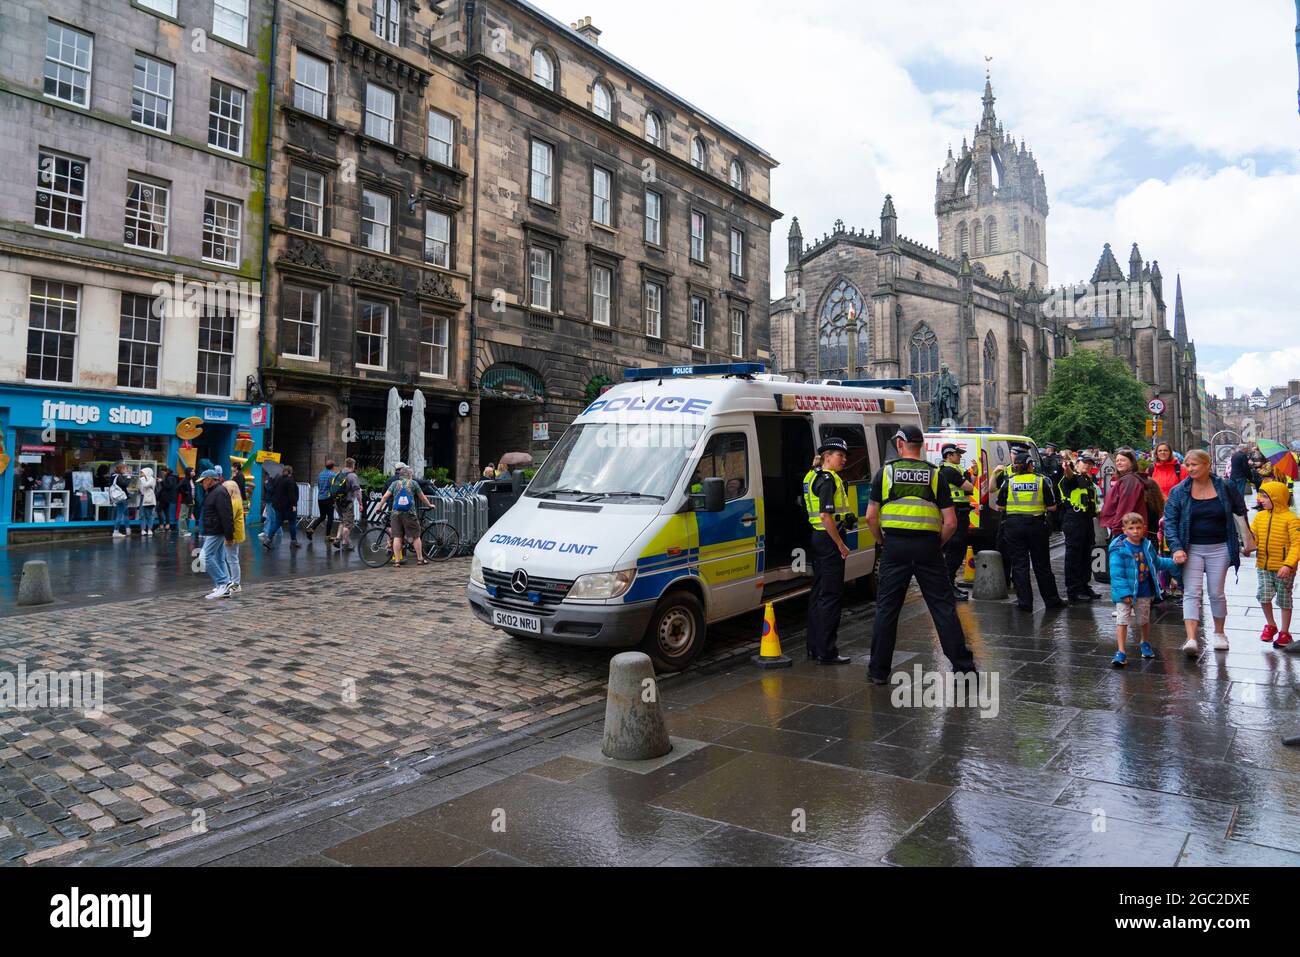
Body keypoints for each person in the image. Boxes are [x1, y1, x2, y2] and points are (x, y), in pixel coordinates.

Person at [866, 425, 977, 684]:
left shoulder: (885, 474)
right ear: (922, 445)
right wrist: (936, 544)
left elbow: (871, 517)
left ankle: (878, 672)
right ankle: (963, 667)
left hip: (894, 547)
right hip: (928, 547)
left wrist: (883, 541)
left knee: (887, 610)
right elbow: (950, 522)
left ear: (901, 444)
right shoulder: (935, 475)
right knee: (942, 607)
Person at [1164, 448, 1250, 657]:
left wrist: (1248, 539)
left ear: (1207, 465)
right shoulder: (1179, 491)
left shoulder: (1225, 486)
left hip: (1219, 547)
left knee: (1216, 592)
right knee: (1191, 593)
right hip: (1191, 548)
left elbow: (1240, 511)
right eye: (1188, 465)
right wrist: (1176, 548)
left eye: (1195, 464)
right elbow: (1170, 522)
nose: (1190, 468)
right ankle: (1192, 638)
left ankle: (1220, 633)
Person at [803, 438, 855, 664]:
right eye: (839, 455)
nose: (843, 459)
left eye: (844, 455)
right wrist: (840, 544)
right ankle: (827, 651)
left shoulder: (812, 475)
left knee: (818, 593)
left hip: (818, 538)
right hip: (829, 539)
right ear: (827, 457)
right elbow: (826, 516)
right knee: (831, 596)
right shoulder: (827, 480)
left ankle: (814, 647)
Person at [993, 452, 1065, 611]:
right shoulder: (1041, 481)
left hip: (1013, 526)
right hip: (1036, 526)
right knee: (1042, 565)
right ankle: (1052, 601)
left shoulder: (1008, 481)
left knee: (1019, 565)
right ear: (1030, 465)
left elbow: (999, 506)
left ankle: (1025, 603)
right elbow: (1052, 507)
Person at [1108, 512, 1179, 667]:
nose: (1135, 531)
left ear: (1144, 528)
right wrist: (1124, 593)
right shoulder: (1119, 548)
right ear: (1124, 529)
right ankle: (1121, 651)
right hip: (1124, 593)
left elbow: (1157, 562)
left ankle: (1145, 642)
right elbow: (1116, 573)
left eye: (1138, 527)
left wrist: (1173, 562)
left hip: (1144, 590)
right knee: (1122, 620)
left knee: (1144, 619)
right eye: (1131, 528)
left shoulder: (1146, 546)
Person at [1251, 480, 1299, 648]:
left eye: (1265, 496)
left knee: (1284, 599)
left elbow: (1297, 544)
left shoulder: (1291, 519)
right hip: (1263, 565)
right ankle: (1271, 624)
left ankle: (1285, 632)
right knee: (1263, 595)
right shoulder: (1259, 517)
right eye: (1260, 496)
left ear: (1277, 498)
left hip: (1283, 568)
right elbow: (1253, 538)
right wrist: (1248, 545)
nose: (1260, 499)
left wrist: (1289, 564)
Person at [1058, 453, 1102, 602]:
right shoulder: (1071, 478)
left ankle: (1084, 585)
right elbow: (1069, 476)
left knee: (1086, 554)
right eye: (1084, 463)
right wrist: (1067, 468)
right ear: (1077, 464)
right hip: (1074, 519)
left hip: (1086, 520)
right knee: (1073, 556)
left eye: (1090, 463)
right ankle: (1073, 590)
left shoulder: (1088, 480)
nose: (1088, 465)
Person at [937, 443, 975, 601]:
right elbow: (969, 486)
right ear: (948, 455)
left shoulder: (951, 470)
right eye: (957, 454)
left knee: (956, 551)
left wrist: (973, 475)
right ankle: (947, 586)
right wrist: (971, 478)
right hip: (956, 513)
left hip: (958, 513)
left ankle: (949, 584)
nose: (960, 456)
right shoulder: (949, 471)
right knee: (955, 551)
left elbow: (969, 488)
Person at [378, 464, 435, 566]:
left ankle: (397, 561)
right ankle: (420, 559)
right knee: (416, 536)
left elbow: (385, 496)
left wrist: (379, 507)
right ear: (409, 475)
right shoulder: (413, 483)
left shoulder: (394, 484)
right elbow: (422, 497)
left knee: (397, 537)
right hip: (410, 513)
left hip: (395, 513)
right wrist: (429, 505)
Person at [197, 468, 234, 599]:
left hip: (216, 530)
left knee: (204, 557)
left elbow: (226, 515)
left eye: (203, 481)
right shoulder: (214, 492)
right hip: (214, 529)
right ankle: (222, 586)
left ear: (210, 480)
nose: (202, 484)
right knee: (218, 558)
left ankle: (224, 583)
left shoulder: (219, 492)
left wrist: (230, 535)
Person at [1098, 449, 1146, 542]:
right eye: (1117, 461)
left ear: (1131, 463)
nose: (1119, 463)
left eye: (1123, 460)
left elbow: (1125, 508)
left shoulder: (1129, 480)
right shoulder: (1126, 479)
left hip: (1127, 532)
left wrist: (1117, 530)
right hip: (1125, 529)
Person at [261, 465, 301, 550]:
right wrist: (294, 505)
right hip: (288, 506)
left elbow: (274, 490)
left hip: (278, 505)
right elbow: (292, 494)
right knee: (292, 522)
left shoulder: (278, 479)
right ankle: (293, 541)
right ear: (290, 472)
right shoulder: (290, 480)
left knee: (277, 522)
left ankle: (268, 540)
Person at [222, 472, 247, 596]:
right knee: (231, 558)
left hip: (233, 534)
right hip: (236, 533)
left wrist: (228, 536)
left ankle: (236, 583)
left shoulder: (233, 502)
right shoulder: (237, 500)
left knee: (232, 559)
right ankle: (233, 582)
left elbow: (229, 518)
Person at [305, 459, 341, 542]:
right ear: (333, 467)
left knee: (322, 516)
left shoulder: (320, 474)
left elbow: (319, 485)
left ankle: (311, 529)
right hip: (328, 498)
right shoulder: (332, 475)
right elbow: (334, 487)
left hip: (320, 498)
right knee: (330, 518)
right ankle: (328, 536)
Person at [333, 457, 361, 552]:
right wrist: (360, 503)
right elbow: (357, 490)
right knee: (348, 524)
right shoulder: (352, 476)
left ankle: (337, 539)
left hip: (337, 502)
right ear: (353, 465)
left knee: (343, 521)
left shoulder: (338, 473)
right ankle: (345, 544)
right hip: (347, 503)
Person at [110, 463, 133, 538]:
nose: (126, 470)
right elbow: (124, 484)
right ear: (121, 469)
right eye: (125, 469)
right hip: (121, 498)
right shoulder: (119, 476)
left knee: (125, 513)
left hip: (117, 497)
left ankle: (128, 529)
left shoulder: (113, 476)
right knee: (120, 514)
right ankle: (116, 531)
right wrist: (128, 477)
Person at [157, 466, 178, 534]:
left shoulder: (170, 477)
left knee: (158, 510)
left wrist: (161, 481)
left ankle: (161, 526)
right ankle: (167, 526)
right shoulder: (172, 477)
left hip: (165, 497)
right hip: (168, 497)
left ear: (166, 471)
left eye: (163, 472)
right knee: (166, 511)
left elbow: (168, 486)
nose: (162, 473)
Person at [138, 466, 157, 538]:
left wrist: (142, 479)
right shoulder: (141, 479)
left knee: (149, 514)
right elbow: (140, 489)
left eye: (142, 472)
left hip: (149, 498)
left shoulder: (152, 479)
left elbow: (146, 485)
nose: (141, 474)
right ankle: (143, 529)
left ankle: (149, 529)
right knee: (142, 514)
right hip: (143, 497)